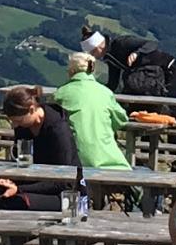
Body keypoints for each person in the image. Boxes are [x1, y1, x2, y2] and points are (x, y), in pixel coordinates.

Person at [55, 44, 133, 172]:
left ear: (72, 71)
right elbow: (122, 119)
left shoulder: (61, 94)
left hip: (72, 158)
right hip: (109, 159)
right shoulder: (105, 92)